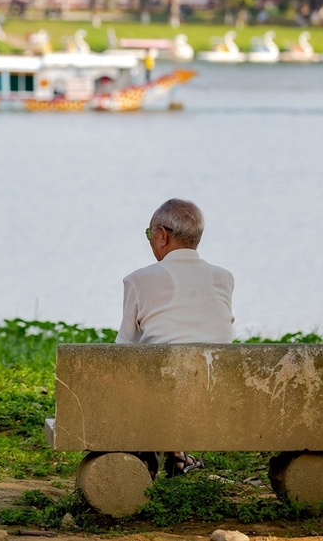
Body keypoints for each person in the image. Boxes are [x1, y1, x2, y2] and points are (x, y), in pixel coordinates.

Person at [116, 198, 235, 477]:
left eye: (149, 235)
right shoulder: (223, 278)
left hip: (160, 398)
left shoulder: (138, 280)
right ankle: (177, 454)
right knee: (177, 373)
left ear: (162, 235)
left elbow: (123, 348)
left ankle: (156, 453)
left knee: (142, 373)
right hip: (211, 396)